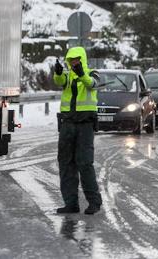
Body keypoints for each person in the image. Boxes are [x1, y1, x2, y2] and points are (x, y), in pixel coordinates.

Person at [53, 47, 102, 215]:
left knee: (85, 163)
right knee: (65, 164)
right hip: (67, 124)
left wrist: (81, 73)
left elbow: (92, 84)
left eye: (76, 59)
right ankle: (71, 203)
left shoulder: (93, 73)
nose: (73, 62)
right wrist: (58, 73)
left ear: (82, 59)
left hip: (85, 125)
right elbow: (60, 82)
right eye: (71, 60)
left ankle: (94, 202)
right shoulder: (68, 76)